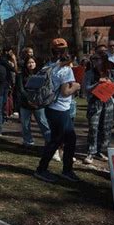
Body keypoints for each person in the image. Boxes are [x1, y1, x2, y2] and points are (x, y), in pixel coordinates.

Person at [34, 38, 81, 183]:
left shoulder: (48, 66)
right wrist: (77, 86)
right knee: (57, 140)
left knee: (69, 138)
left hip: (51, 107)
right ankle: (42, 169)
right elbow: (66, 91)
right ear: (65, 51)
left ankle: (66, 169)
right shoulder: (65, 69)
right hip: (60, 108)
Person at [83, 51, 114, 164]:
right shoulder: (89, 73)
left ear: (103, 60)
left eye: (97, 59)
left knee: (106, 128)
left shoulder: (111, 72)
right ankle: (91, 152)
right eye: (93, 59)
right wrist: (98, 83)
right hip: (94, 103)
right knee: (93, 127)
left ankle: (100, 151)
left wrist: (110, 81)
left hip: (108, 102)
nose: (94, 61)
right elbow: (86, 88)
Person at [15, 56, 51, 147]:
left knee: (43, 123)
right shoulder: (20, 75)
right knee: (25, 124)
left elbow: (44, 88)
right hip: (25, 103)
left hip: (38, 103)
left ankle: (49, 141)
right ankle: (28, 141)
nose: (31, 64)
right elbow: (21, 89)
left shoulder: (41, 74)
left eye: (33, 62)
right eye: (29, 63)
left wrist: (38, 100)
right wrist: (29, 99)